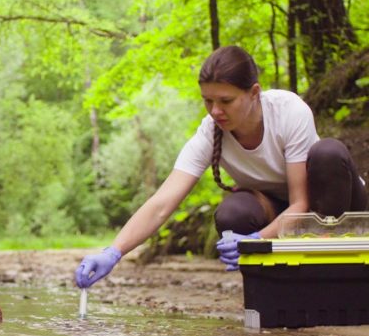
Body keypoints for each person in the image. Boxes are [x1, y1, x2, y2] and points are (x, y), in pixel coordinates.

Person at [75, 45, 368, 287]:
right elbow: (161, 204)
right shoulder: (209, 132)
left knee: (328, 153)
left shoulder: (288, 111)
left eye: (226, 101)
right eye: (208, 101)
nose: (215, 111)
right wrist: (114, 252)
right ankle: (275, 291)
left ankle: (337, 280)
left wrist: (255, 241)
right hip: (280, 212)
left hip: (334, 206)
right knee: (233, 212)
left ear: (254, 93)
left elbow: (301, 204)